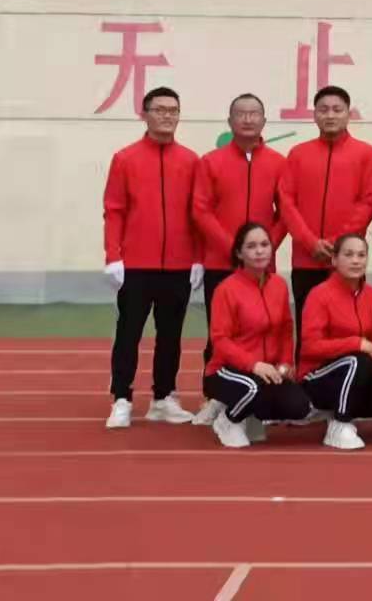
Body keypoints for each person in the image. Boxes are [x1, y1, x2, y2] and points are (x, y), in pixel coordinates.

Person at [103, 86, 201, 429]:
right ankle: (121, 398)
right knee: (128, 333)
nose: (167, 116)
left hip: (178, 265)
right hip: (136, 265)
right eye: (159, 110)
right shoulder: (125, 158)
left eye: (173, 110)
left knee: (171, 335)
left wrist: (198, 257)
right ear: (144, 114)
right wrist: (113, 256)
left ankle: (163, 398)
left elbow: (197, 213)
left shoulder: (191, 160)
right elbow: (114, 210)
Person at [190, 92, 288, 426]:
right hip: (222, 263)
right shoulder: (211, 162)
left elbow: (285, 212)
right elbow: (201, 210)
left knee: (267, 330)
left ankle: (263, 394)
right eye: (241, 114)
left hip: (262, 266)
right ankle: (214, 398)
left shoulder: (278, 163)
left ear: (264, 120)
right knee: (219, 335)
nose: (248, 119)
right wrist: (234, 249)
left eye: (254, 113)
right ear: (230, 121)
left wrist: (264, 248)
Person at [279, 86, 372, 356]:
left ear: (348, 114)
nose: (330, 115)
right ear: (315, 115)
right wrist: (309, 242)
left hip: (346, 259)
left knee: (349, 329)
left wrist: (339, 245)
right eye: (323, 110)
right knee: (308, 330)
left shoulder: (365, 153)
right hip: (306, 258)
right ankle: (307, 379)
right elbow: (287, 201)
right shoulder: (298, 153)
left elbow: (368, 201)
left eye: (337, 109)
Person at [204, 222, 311, 448]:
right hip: (226, 370)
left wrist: (285, 363)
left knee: (299, 406)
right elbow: (220, 340)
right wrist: (253, 365)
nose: (259, 251)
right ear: (239, 253)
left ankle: (250, 414)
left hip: (266, 371)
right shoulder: (226, 289)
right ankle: (228, 420)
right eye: (251, 246)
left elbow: (285, 328)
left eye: (264, 245)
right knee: (254, 388)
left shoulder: (279, 285)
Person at [298, 233, 372, 450]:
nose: (356, 261)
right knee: (357, 360)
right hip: (317, 375)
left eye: (361, 255)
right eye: (348, 255)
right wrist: (356, 343)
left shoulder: (370, 295)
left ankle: (342, 409)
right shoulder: (319, 295)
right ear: (334, 260)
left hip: (358, 370)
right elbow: (310, 347)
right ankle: (340, 423)